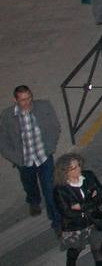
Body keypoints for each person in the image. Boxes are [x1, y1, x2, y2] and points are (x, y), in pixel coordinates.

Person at [1, 84, 62, 230]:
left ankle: (57, 222)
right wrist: (15, 158)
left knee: (50, 191)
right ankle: (33, 201)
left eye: (29, 98)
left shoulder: (44, 107)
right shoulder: (7, 116)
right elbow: (3, 140)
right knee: (30, 184)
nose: (27, 102)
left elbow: (54, 126)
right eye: (23, 100)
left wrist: (50, 147)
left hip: (43, 157)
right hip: (25, 161)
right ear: (15, 100)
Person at [53, 152, 102, 266]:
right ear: (65, 172)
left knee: (98, 250)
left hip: (94, 221)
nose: (78, 169)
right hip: (76, 226)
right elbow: (67, 212)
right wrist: (91, 202)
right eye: (74, 168)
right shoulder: (60, 190)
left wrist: (81, 207)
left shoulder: (89, 176)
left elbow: (101, 195)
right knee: (75, 251)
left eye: (78, 165)